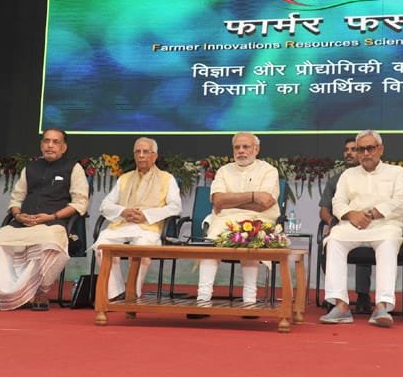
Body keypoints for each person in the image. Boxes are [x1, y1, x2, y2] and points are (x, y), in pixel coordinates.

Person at [0, 128, 89, 311]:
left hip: (52, 222)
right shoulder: (30, 168)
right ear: (41, 145)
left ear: (64, 147)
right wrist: (18, 215)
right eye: (46, 141)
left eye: (55, 142)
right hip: (22, 222)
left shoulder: (74, 168)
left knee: (49, 243)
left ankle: (39, 290)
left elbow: (80, 203)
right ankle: (11, 292)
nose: (50, 145)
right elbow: (16, 199)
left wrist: (52, 216)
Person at [319, 130, 403, 328]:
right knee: (334, 240)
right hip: (353, 224)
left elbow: (401, 202)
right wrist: (352, 215)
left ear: (381, 149)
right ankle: (341, 306)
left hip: (385, 224)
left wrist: (375, 213)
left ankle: (382, 306)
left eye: (370, 148)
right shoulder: (347, 174)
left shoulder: (396, 172)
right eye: (361, 149)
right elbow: (338, 202)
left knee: (388, 243)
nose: (366, 153)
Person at [195, 132, 280, 308]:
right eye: (237, 147)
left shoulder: (268, 171)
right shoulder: (224, 171)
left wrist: (231, 202)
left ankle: (250, 301)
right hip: (223, 221)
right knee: (210, 246)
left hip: (257, 218)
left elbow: (264, 203)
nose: (241, 151)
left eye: (246, 147)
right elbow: (218, 200)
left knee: (250, 236)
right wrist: (252, 195)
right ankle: (203, 300)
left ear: (256, 149)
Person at [92, 137, 181, 301]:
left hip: (149, 228)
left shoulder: (167, 178)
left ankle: (134, 293)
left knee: (141, 248)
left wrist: (146, 215)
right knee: (102, 246)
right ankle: (116, 292)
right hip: (122, 225)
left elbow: (175, 207)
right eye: (137, 152)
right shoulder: (124, 178)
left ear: (154, 156)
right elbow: (105, 204)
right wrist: (123, 211)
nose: (141, 156)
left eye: (146, 152)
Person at [319, 138, 374, 314]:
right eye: (346, 150)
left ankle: (363, 295)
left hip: (367, 225)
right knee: (329, 242)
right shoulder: (336, 179)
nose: (349, 153)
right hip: (341, 225)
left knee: (364, 242)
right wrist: (332, 223)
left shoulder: (373, 178)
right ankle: (336, 297)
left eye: (353, 149)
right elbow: (324, 210)